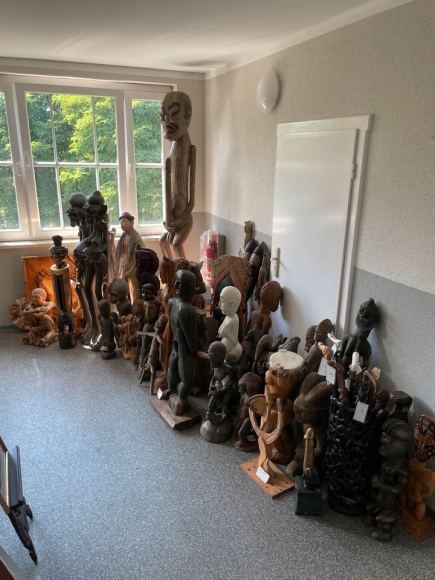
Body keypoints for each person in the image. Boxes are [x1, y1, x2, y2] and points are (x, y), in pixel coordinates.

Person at [159, 91, 196, 259]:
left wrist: (183, 217)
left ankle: (184, 270)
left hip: (183, 218)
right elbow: (169, 188)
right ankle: (170, 269)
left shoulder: (188, 148)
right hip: (172, 218)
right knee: (162, 242)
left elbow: (191, 198)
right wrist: (168, 220)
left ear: (187, 115)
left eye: (173, 113)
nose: (166, 120)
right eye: (162, 114)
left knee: (175, 244)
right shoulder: (173, 148)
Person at [161, 269, 198, 415]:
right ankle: (181, 399)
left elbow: (172, 324)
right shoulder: (187, 309)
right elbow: (190, 336)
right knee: (186, 379)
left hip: (175, 343)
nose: (177, 286)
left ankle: (170, 390)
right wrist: (195, 350)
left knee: (172, 368)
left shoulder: (172, 302)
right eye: (178, 283)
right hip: (183, 347)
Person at [114, 212, 144, 301]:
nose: (121, 224)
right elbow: (119, 253)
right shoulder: (123, 236)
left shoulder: (136, 237)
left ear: (131, 223)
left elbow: (139, 255)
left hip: (133, 266)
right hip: (125, 264)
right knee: (124, 286)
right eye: (120, 222)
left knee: (135, 287)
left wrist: (131, 270)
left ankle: (135, 305)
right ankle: (126, 304)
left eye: (124, 221)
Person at [218, 286, 242, 363]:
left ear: (232, 305)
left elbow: (235, 342)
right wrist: (223, 333)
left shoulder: (234, 320)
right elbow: (220, 332)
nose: (219, 304)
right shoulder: (228, 317)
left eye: (222, 301)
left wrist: (226, 333)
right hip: (224, 345)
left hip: (231, 349)